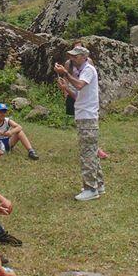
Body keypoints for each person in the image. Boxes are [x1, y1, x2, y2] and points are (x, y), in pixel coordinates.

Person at [54, 45, 104, 201]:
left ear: (84, 57)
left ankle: (90, 189)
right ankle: (98, 185)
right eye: (71, 56)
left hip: (87, 117)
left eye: (75, 56)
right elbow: (78, 94)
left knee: (87, 153)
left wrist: (65, 74)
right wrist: (66, 88)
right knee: (92, 151)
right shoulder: (83, 72)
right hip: (84, 116)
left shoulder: (88, 69)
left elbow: (80, 85)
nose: (72, 59)